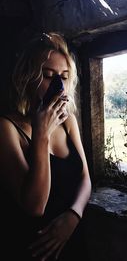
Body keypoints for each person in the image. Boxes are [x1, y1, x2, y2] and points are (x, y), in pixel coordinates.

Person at [0, 32, 92, 260]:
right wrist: (41, 133)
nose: (59, 85)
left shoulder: (69, 120)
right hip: (32, 246)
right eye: (49, 76)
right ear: (28, 78)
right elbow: (35, 206)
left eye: (64, 76)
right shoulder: (7, 127)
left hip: (71, 237)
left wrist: (73, 216)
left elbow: (85, 178)